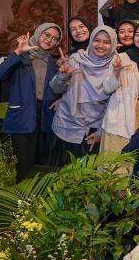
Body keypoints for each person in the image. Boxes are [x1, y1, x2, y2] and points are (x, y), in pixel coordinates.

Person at [0, 23, 63, 181]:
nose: (50, 40)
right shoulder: (20, 57)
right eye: (47, 35)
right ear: (38, 33)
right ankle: (22, 202)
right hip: (22, 116)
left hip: (47, 118)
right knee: (23, 166)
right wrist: (18, 51)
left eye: (55, 39)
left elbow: (60, 90)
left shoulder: (56, 63)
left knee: (44, 167)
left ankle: (40, 202)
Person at [50, 26, 118, 163]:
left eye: (106, 42)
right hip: (65, 126)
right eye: (97, 40)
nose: (100, 45)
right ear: (91, 41)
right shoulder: (76, 59)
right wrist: (62, 75)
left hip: (93, 130)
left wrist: (100, 131)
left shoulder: (116, 65)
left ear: (113, 44)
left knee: (88, 180)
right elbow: (56, 89)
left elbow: (113, 104)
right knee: (62, 179)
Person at [100, 21, 139, 155]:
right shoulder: (122, 58)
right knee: (118, 162)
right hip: (121, 114)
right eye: (137, 34)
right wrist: (116, 72)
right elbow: (106, 89)